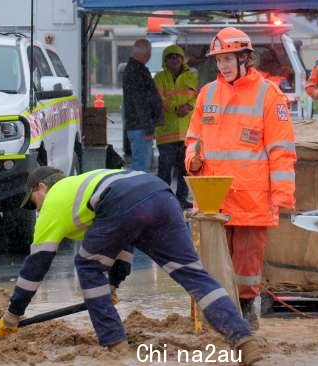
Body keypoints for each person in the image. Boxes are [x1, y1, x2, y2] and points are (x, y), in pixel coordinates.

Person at [0, 167, 263, 365]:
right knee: (193, 275)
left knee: (87, 266)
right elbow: (124, 242)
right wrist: (113, 284)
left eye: (34, 202)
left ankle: (115, 345)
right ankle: (244, 340)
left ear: (41, 188)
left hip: (124, 201)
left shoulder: (54, 202)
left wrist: (13, 314)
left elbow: (36, 267)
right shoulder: (87, 182)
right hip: (159, 194)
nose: (37, 209)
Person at [184, 27, 297, 330]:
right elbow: (193, 138)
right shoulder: (207, 93)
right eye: (219, 60)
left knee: (247, 266)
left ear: (246, 58)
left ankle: (246, 313)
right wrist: (193, 161)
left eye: (228, 59)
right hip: (212, 199)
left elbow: (282, 151)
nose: (222, 65)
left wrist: (283, 195)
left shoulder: (269, 96)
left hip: (251, 199)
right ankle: (217, 316)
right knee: (213, 264)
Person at [154, 45, 198, 209]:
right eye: (171, 57)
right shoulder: (159, 78)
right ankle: (162, 199)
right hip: (166, 132)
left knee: (184, 169)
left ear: (182, 59)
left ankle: (181, 197)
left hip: (186, 132)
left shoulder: (190, 77)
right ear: (165, 60)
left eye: (177, 57)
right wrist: (176, 108)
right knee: (165, 169)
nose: (175, 60)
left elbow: (196, 96)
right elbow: (159, 99)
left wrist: (189, 107)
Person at [122, 39, 163, 172]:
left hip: (139, 126)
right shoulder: (136, 72)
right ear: (144, 53)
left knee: (142, 164)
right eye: (149, 52)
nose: (150, 56)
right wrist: (148, 128)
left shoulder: (136, 69)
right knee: (141, 168)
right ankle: (139, 192)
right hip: (140, 128)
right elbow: (140, 102)